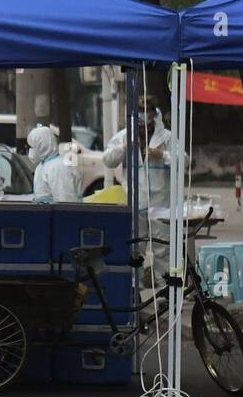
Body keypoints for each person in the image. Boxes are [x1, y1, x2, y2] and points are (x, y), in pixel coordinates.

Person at [101, 97, 186, 285]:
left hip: (160, 204)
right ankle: (133, 291)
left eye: (147, 109)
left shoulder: (166, 138)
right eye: (140, 109)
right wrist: (124, 148)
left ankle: (165, 291)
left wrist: (162, 155)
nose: (143, 113)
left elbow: (184, 161)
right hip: (134, 203)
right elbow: (107, 160)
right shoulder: (125, 136)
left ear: (155, 113)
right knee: (134, 250)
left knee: (163, 250)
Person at [28, 124, 81, 204]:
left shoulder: (58, 168)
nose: (30, 151)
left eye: (32, 147)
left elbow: (66, 203)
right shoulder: (42, 166)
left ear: (43, 146)